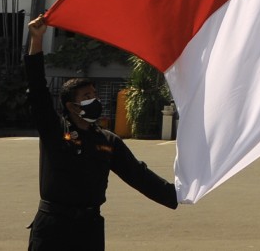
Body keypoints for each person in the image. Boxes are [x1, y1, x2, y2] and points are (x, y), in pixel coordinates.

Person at [25, 15, 178, 250]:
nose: (93, 100)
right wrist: (36, 41)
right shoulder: (54, 130)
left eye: (94, 94)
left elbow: (138, 175)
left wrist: (176, 194)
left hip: (89, 227)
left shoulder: (108, 141)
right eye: (86, 97)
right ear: (71, 106)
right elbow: (37, 90)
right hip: (54, 227)